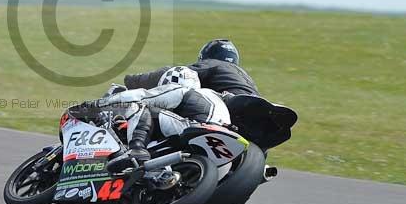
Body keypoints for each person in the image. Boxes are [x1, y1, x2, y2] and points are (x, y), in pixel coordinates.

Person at [123, 39, 298, 150]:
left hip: (229, 108)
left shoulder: (213, 64)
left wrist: (132, 81)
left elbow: (177, 74)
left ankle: (138, 147)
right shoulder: (245, 78)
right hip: (256, 121)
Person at [95, 66, 231, 172]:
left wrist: (98, 104)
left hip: (197, 126)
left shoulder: (178, 89)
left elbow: (140, 96)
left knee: (137, 106)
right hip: (224, 134)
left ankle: (136, 150)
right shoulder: (215, 94)